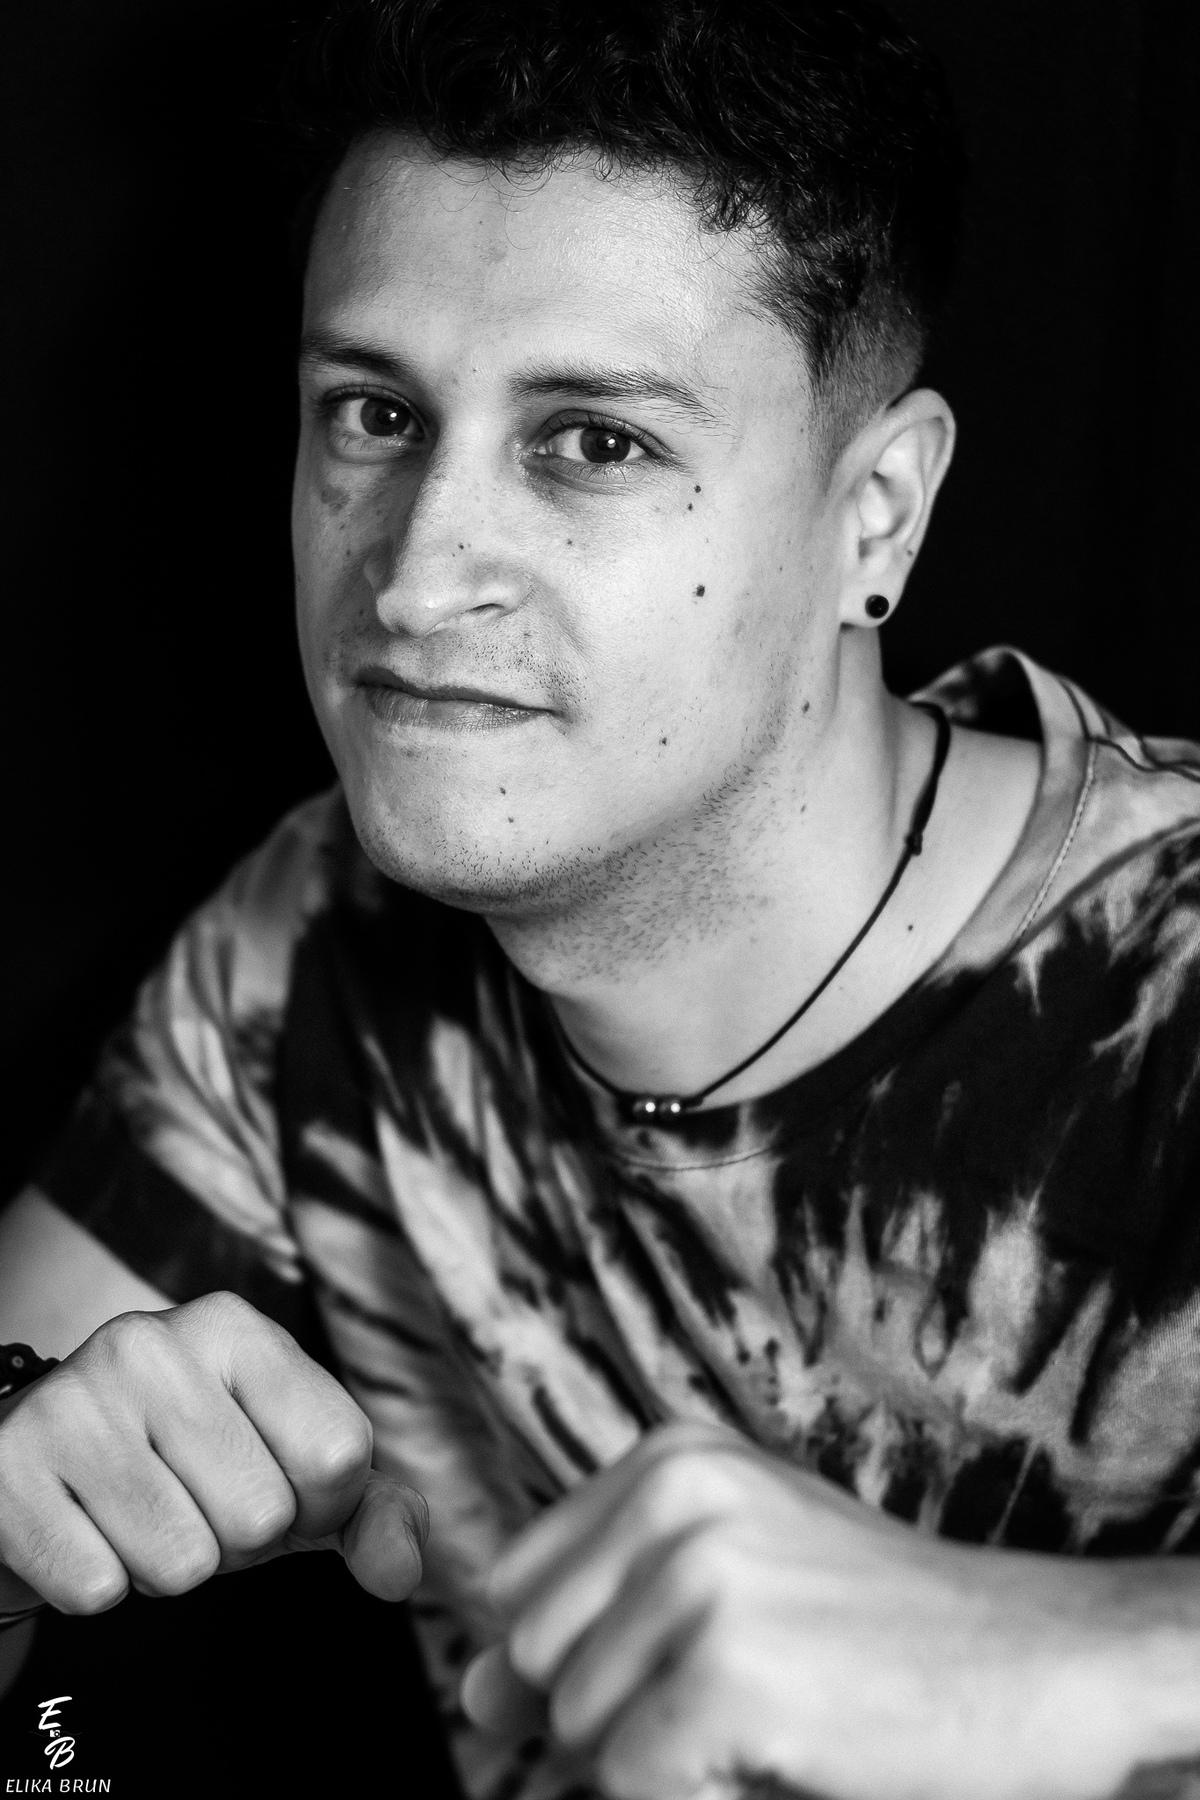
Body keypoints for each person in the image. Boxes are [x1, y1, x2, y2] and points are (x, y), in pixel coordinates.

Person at [3, 0, 1200, 1794]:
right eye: (374, 414)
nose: (416, 580)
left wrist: (1089, 1657)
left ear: (877, 515)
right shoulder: (308, 951)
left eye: (595, 443)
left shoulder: (1166, 991)